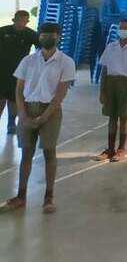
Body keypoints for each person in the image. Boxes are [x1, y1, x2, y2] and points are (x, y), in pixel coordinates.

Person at [3, 23, 74, 213]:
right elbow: (19, 89)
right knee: (26, 153)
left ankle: (48, 197)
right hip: (27, 108)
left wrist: (44, 116)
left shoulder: (66, 62)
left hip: (50, 111)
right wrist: (22, 114)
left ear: (58, 37)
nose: (46, 37)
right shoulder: (28, 60)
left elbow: (60, 95)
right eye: (43, 34)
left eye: (51, 34)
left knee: (49, 152)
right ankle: (21, 196)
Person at [97, 19, 127, 162]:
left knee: (124, 118)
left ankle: (121, 149)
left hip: (126, 84)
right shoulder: (111, 47)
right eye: (120, 27)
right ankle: (110, 149)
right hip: (111, 83)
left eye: (126, 28)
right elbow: (104, 69)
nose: (122, 30)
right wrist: (102, 90)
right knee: (112, 117)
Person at [0, 10, 38, 135]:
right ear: (13, 20)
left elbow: (42, 47)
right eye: (19, 21)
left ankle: (11, 123)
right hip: (2, 71)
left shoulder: (31, 34)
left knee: (14, 99)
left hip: (19, 73)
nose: (21, 23)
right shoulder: (3, 31)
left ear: (27, 22)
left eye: (24, 21)